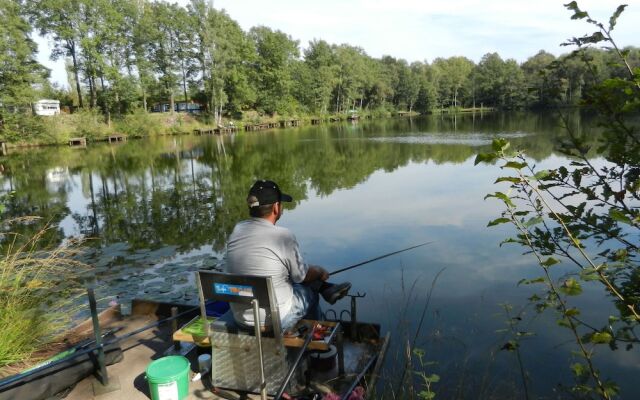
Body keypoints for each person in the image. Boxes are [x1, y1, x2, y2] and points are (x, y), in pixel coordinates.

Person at [225, 179, 351, 331]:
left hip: (241, 319)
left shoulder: (237, 230)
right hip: (275, 321)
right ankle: (316, 341)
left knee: (287, 274)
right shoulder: (283, 236)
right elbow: (302, 276)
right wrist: (319, 271)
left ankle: (326, 290)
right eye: (281, 204)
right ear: (276, 208)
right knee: (309, 292)